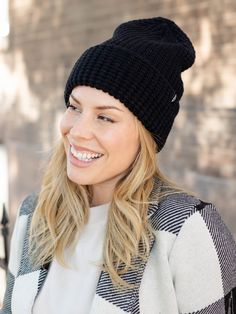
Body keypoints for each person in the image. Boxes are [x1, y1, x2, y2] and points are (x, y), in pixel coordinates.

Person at [1, 17, 235, 314]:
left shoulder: (186, 229)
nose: (77, 131)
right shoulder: (34, 215)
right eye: (74, 107)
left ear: (146, 136)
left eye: (105, 117)